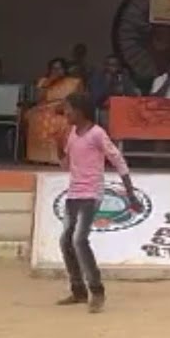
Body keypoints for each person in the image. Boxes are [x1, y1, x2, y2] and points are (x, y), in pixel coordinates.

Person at [57, 92, 139, 313]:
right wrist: (58, 147)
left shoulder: (97, 134)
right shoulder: (73, 134)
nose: (65, 113)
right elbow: (66, 166)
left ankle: (97, 290)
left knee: (79, 240)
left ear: (80, 111)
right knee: (66, 241)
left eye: (68, 108)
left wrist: (130, 194)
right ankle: (78, 290)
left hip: (91, 194)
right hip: (74, 194)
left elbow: (117, 160)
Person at [25, 57, 83, 164]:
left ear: (65, 70)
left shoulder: (73, 82)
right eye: (54, 69)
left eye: (59, 68)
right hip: (44, 109)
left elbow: (78, 99)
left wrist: (65, 106)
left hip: (65, 109)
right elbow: (38, 99)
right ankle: (39, 157)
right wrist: (49, 82)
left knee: (62, 121)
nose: (56, 71)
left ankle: (59, 158)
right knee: (36, 118)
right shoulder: (43, 81)